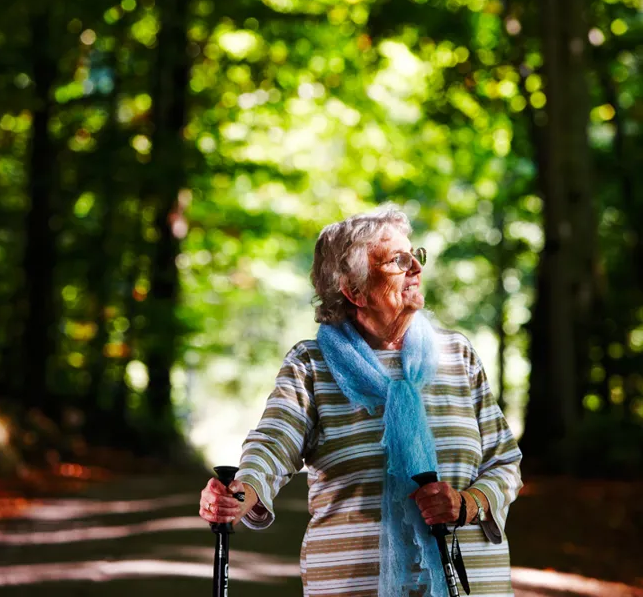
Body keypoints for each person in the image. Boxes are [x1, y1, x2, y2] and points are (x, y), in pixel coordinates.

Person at [199, 208, 523, 596]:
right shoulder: (313, 365)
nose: (416, 267)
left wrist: (468, 504)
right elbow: (273, 443)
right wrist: (240, 492)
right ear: (354, 290)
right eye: (398, 261)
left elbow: (504, 462)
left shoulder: (457, 355)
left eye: (415, 255)